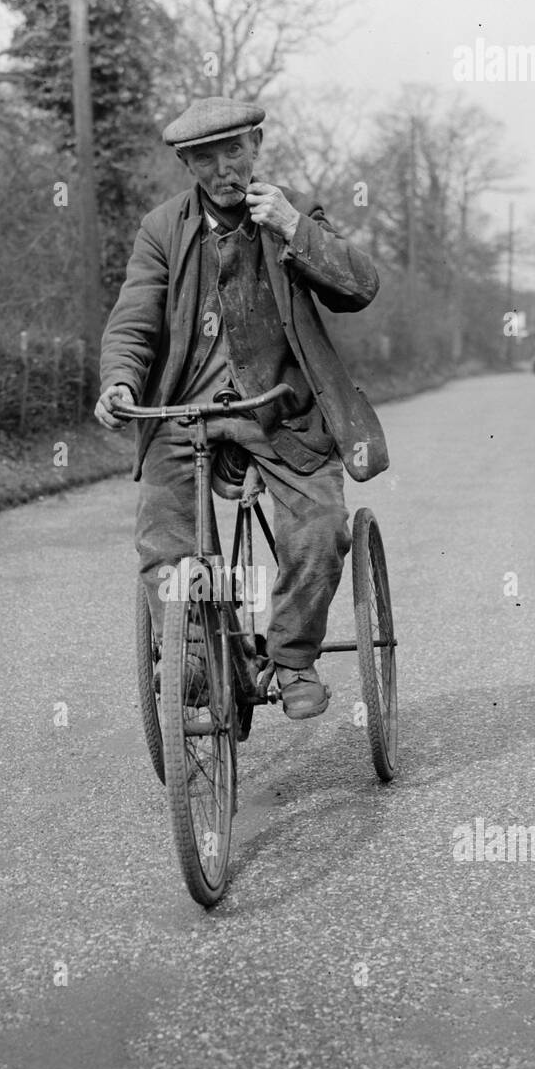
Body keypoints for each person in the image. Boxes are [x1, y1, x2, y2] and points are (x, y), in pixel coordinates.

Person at [95, 96, 389, 721]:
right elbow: (133, 320)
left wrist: (293, 229)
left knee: (321, 528)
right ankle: (202, 656)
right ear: (187, 164)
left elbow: (359, 288)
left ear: (255, 145)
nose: (225, 169)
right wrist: (120, 381)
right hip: (184, 415)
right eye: (206, 158)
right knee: (162, 533)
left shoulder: (291, 215)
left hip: (281, 413)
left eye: (234, 151)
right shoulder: (162, 230)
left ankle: (291, 657)